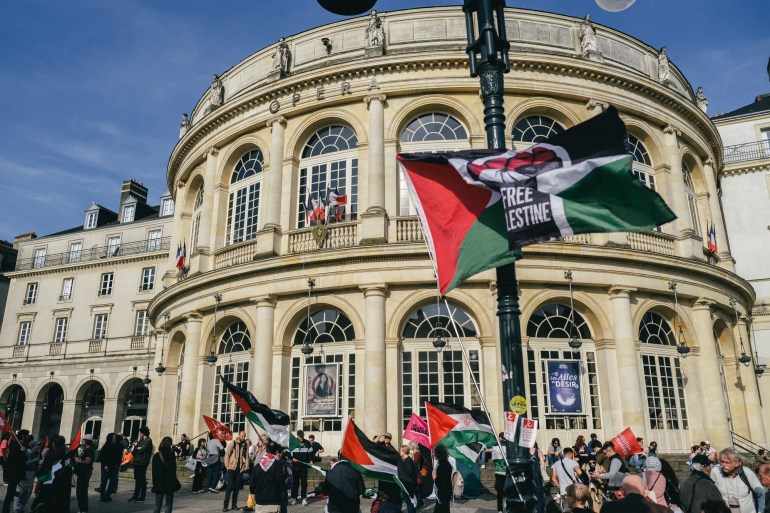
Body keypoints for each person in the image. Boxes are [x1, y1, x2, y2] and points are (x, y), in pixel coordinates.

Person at [710, 447, 765, 513]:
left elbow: (760, 493)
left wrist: (760, 511)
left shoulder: (747, 472)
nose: (723, 465)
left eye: (727, 462)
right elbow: (711, 493)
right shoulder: (715, 472)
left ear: (737, 463)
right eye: (721, 462)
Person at [251, 441, 286, 513]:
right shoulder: (278, 465)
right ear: (276, 451)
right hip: (274, 502)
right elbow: (281, 483)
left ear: (266, 450)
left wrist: (254, 502)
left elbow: (252, 487)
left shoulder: (257, 467)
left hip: (260, 502)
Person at [152, 436, 181, 513]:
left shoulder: (156, 456)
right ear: (170, 444)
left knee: (157, 505)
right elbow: (173, 470)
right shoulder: (171, 455)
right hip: (169, 482)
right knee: (168, 505)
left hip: (158, 482)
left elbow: (154, 472)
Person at [223, 430, 249, 512]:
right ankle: (225, 505)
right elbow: (227, 454)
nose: (243, 437)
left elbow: (247, 456)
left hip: (240, 470)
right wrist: (227, 465)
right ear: (239, 435)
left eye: (244, 436)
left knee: (237, 488)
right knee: (229, 487)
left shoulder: (245, 445)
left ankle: (234, 505)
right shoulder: (233, 443)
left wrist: (246, 466)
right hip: (231, 468)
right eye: (242, 436)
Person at [552, 448, 584, 512]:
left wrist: (560, 487)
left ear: (564, 454)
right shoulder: (573, 462)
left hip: (564, 492)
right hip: (574, 492)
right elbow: (579, 473)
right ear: (571, 454)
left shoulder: (556, 463)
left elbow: (553, 478)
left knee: (566, 511)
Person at [129, 426, 153, 503]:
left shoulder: (148, 440)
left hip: (143, 462)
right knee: (137, 479)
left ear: (143, 433)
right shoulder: (141, 440)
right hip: (137, 462)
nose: (139, 434)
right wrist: (137, 448)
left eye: (140, 432)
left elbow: (142, 450)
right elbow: (135, 450)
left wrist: (137, 448)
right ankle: (135, 496)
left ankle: (142, 496)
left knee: (142, 479)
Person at [2, 431, 24, 513]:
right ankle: (5, 510)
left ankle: (16, 494)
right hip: (13, 473)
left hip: (13, 474)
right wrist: (22, 452)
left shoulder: (14, 445)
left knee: (10, 494)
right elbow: (15, 460)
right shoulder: (15, 446)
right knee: (9, 495)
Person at [73, 434, 96, 513]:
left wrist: (78, 461)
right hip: (82, 471)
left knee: (82, 490)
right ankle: (81, 508)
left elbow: (87, 462)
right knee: (79, 490)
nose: (82, 441)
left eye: (83, 440)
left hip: (86, 471)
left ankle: (83, 509)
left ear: (86, 441)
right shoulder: (83, 448)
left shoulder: (90, 450)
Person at [98, 433, 123, 502]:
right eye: (113, 437)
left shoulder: (117, 446)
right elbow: (102, 456)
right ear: (110, 438)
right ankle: (102, 496)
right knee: (104, 481)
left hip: (114, 466)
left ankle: (107, 495)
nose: (115, 438)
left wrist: (118, 464)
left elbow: (119, 456)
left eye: (115, 437)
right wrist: (105, 465)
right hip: (106, 466)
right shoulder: (105, 446)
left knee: (113, 481)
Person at [290, 430, 313, 505]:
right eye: (300, 436)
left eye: (302, 436)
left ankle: (304, 498)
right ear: (297, 436)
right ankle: (294, 498)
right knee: (295, 483)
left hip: (303, 466)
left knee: (304, 483)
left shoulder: (307, 443)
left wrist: (311, 460)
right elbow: (287, 452)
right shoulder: (293, 443)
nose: (301, 438)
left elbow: (310, 453)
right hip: (295, 466)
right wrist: (292, 458)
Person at [433, 444, 453, 513]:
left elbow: (439, 481)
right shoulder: (446, 463)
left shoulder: (441, 465)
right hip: (447, 490)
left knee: (441, 509)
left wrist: (434, 478)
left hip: (443, 491)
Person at [399, 445, 419, 513]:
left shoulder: (408, 461)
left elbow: (408, 472)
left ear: (404, 452)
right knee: (410, 503)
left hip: (409, 486)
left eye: (401, 451)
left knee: (409, 503)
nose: (399, 452)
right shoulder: (408, 460)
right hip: (409, 485)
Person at [492, 433, 509, 513]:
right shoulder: (509, 447)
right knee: (508, 489)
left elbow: (494, 460)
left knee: (499, 491)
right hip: (507, 471)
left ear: (500, 438)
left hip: (499, 471)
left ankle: (500, 509)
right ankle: (507, 504)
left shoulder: (495, 446)